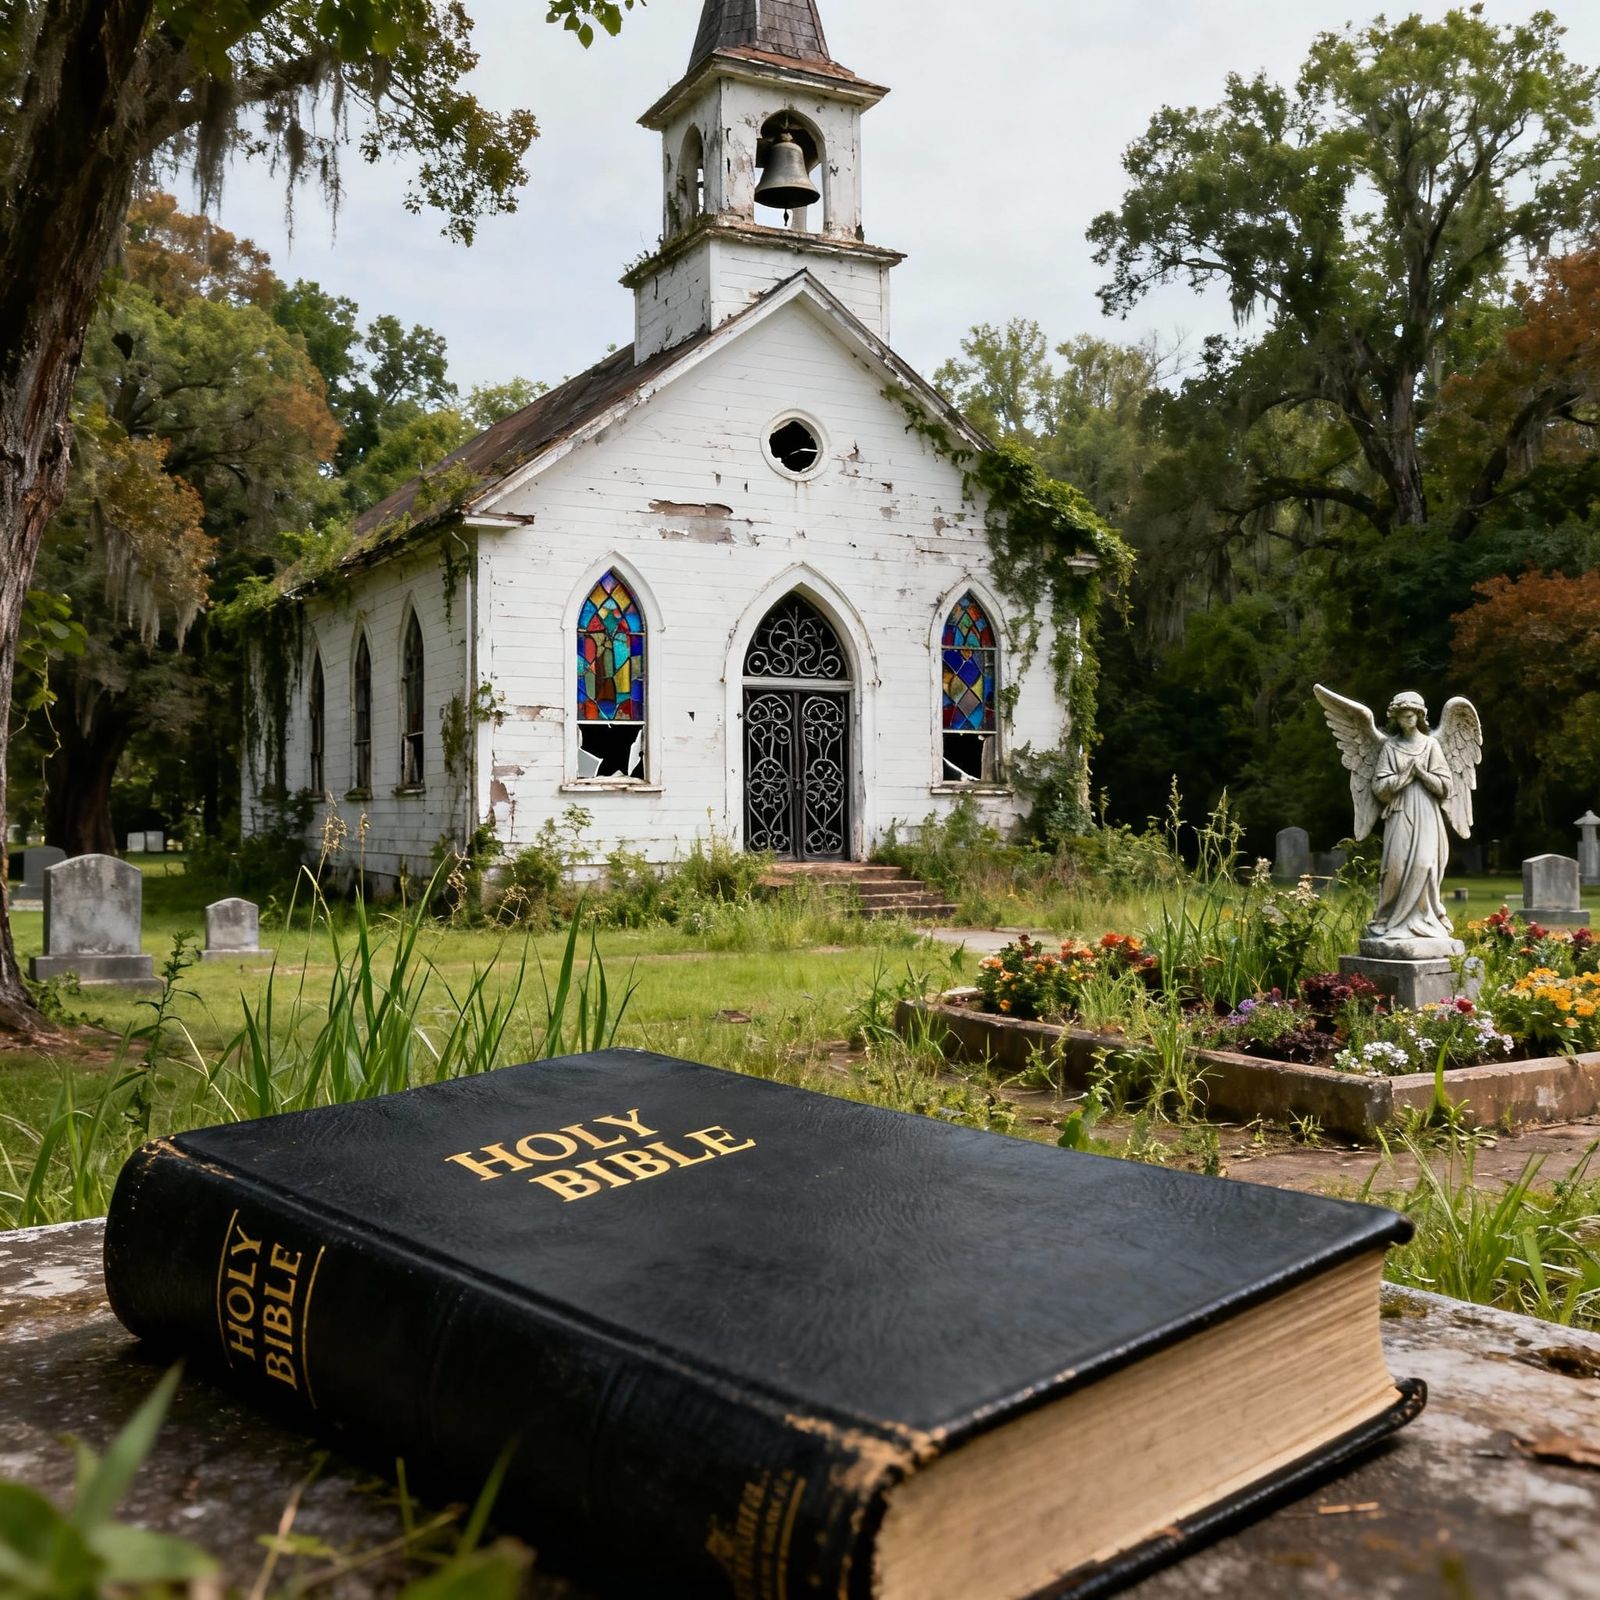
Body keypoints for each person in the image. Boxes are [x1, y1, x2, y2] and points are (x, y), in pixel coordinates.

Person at [1368, 691, 1455, 945]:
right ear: (1396, 718)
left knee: (1424, 865)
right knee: (1395, 867)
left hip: (1427, 812)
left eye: (1412, 715)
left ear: (1420, 716)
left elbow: (1445, 787)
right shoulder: (1389, 747)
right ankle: (1387, 919)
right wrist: (1406, 774)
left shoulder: (1431, 746)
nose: (1408, 720)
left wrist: (1423, 775)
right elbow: (1380, 789)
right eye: (1403, 716)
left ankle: (1426, 919)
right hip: (1400, 811)